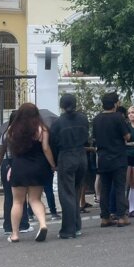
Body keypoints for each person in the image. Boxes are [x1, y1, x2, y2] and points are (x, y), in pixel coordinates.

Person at [6, 103, 56, 243]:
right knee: (35, 199)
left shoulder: (12, 129)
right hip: (38, 167)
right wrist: (52, 165)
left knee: (17, 202)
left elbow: (11, 150)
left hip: (19, 166)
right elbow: (46, 149)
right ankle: (43, 225)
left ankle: (15, 234)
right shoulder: (42, 129)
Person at [50, 94, 89, 239]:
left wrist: (54, 162)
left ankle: (68, 229)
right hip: (81, 155)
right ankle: (77, 226)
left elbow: (53, 144)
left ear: (61, 105)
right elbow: (87, 136)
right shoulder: (83, 119)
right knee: (76, 192)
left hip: (66, 156)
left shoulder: (58, 123)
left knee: (66, 194)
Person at [92, 92, 130, 227]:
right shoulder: (118, 117)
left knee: (105, 188)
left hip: (103, 158)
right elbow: (127, 136)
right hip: (118, 157)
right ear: (115, 104)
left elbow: (94, 138)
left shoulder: (96, 119)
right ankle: (121, 216)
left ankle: (105, 217)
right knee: (119, 187)